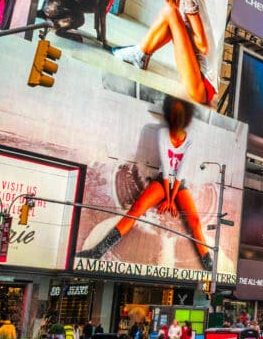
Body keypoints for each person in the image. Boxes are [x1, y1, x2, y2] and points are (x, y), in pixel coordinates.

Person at [77, 97, 214, 270]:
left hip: (179, 183)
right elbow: (165, 165)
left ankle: (208, 264)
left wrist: (171, 200)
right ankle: (98, 251)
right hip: (162, 179)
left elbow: (181, 171)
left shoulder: (190, 139)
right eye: (174, 113)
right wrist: (167, 196)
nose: (177, 117)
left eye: (181, 113)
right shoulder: (162, 133)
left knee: (194, 220)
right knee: (135, 211)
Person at [113, 0, 218, 105]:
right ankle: (140, 54)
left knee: (171, 12)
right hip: (200, 81)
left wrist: (181, 32)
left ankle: (138, 54)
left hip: (202, 86)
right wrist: (179, 31)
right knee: (171, 11)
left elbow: (203, 46)